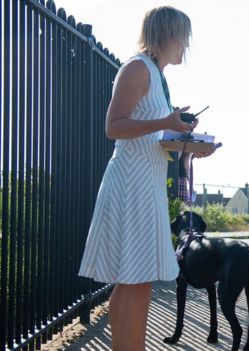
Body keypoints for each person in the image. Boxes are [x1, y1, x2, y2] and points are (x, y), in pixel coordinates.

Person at [78, 6, 201, 350]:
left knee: (138, 278)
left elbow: (152, 137)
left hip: (145, 185)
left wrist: (185, 140)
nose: (187, 44)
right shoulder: (136, 67)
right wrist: (166, 124)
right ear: (167, 34)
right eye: (183, 36)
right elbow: (113, 126)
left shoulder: (156, 74)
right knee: (133, 278)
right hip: (131, 185)